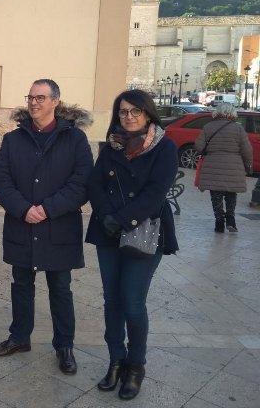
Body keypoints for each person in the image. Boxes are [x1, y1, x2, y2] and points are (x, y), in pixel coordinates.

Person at [0, 79, 93, 376]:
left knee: (60, 288)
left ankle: (64, 345)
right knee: (21, 285)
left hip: (58, 228)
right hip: (22, 226)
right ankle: (20, 337)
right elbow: (2, 181)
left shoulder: (75, 140)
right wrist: (24, 209)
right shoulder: (13, 139)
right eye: (31, 97)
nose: (34, 102)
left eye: (40, 97)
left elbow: (81, 183)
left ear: (55, 102)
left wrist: (47, 209)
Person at [85, 89, 179, 400]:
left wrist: (122, 219)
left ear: (148, 113)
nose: (129, 117)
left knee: (132, 303)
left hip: (144, 231)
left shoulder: (164, 147)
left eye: (135, 111)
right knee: (111, 301)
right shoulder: (111, 145)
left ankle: (136, 366)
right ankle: (116, 361)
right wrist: (106, 215)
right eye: (123, 112)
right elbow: (95, 184)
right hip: (108, 231)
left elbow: (156, 193)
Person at [195, 102, 252, 233]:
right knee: (231, 193)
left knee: (216, 194)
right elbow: (247, 150)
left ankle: (219, 222)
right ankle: (231, 220)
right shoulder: (238, 129)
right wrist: (248, 166)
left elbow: (198, 146)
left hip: (212, 165)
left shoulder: (208, 126)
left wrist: (209, 151)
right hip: (234, 166)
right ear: (232, 113)